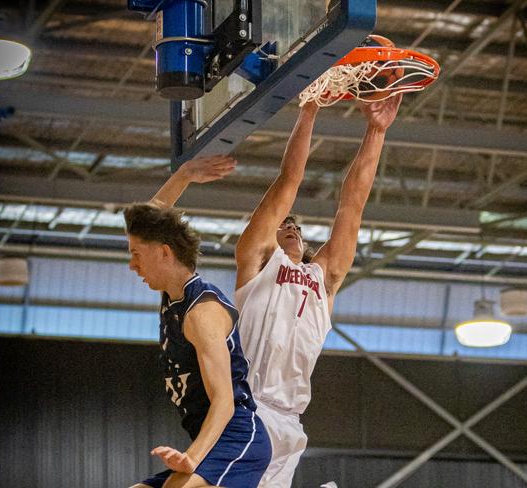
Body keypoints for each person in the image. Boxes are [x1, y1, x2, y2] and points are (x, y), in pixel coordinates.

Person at [234, 94, 402, 487]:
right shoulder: (258, 261)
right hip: (247, 408)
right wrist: (309, 108)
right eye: (283, 225)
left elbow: (352, 206)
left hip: (290, 420)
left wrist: (376, 131)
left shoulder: (323, 279)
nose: (291, 227)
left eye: (296, 226)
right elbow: (289, 180)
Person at [125, 155, 271, 488]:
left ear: (164, 253)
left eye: (135, 254)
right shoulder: (174, 294)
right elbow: (150, 220)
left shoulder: (201, 313)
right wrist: (184, 175)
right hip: (211, 441)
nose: (132, 264)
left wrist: (192, 457)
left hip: (237, 438)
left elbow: (224, 403)